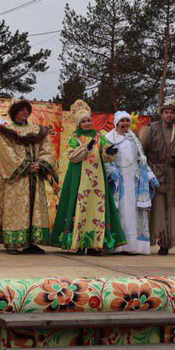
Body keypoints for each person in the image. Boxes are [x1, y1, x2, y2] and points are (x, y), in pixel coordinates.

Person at [52, 99, 126, 255]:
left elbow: (105, 154)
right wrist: (86, 148)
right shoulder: (75, 138)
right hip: (80, 179)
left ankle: (94, 244)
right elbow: (72, 157)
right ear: (78, 124)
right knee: (80, 207)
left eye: (88, 120)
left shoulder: (100, 136)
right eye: (83, 121)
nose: (87, 123)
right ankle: (78, 243)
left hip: (98, 181)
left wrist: (109, 153)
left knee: (96, 208)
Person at [0, 100, 57, 254]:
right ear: (15, 112)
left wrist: (40, 164)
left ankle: (30, 243)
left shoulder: (37, 130)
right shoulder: (7, 131)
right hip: (17, 179)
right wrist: (26, 166)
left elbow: (47, 150)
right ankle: (12, 242)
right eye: (22, 110)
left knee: (34, 209)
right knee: (16, 208)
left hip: (35, 177)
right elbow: (7, 154)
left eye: (27, 110)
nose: (25, 112)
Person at [139, 99, 175, 256]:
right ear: (162, 113)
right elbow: (142, 151)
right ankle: (164, 244)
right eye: (166, 112)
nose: (169, 115)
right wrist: (145, 173)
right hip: (158, 175)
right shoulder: (151, 129)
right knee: (160, 210)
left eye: (172, 112)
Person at [105, 111, 158, 255]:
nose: (125, 124)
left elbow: (141, 160)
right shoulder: (108, 139)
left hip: (134, 182)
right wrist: (112, 172)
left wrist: (150, 175)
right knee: (121, 212)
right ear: (116, 123)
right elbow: (104, 160)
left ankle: (134, 246)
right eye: (122, 121)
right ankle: (119, 245)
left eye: (127, 121)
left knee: (135, 213)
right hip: (119, 183)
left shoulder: (133, 139)